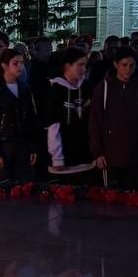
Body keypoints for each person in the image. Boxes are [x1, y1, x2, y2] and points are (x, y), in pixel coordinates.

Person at [89, 46, 138, 190]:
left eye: (132, 65)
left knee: (135, 197)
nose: (128, 69)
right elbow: (95, 122)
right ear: (116, 64)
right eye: (124, 65)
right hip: (110, 156)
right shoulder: (103, 88)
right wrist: (98, 152)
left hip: (136, 155)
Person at [0, 47, 39, 183]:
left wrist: (32, 147)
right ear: (4, 65)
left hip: (22, 144)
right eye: (15, 63)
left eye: (21, 63)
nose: (20, 66)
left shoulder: (24, 88)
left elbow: (31, 118)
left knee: (23, 185)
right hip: (4, 144)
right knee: (3, 185)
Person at [44, 46, 94, 181]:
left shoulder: (87, 88)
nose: (84, 69)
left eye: (86, 65)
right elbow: (53, 124)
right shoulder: (56, 90)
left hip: (85, 157)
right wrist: (57, 157)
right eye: (80, 65)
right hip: (63, 157)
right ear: (67, 66)